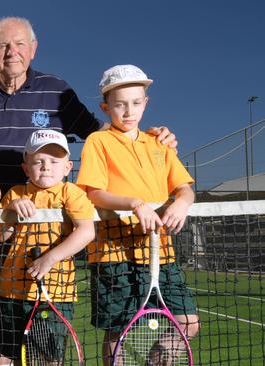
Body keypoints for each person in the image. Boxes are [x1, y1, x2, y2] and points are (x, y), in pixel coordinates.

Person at [0, 16, 178, 201]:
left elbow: (101, 131)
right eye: (2, 45)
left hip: (43, 212)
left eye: (20, 44)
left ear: (33, 49)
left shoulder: (56, 91)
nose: (11, 52)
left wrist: (151, 138)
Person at [76, 64, 200, 365]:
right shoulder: (98, 141)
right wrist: (134, 203)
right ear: (106, 107)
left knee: (189, 322)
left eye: (135, 103)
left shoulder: (160, 142)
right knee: (118, 334)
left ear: (145, 103)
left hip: (160, 253)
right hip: (113, 254)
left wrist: (182, 202)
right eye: (119, 105)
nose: (128, 111)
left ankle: (152, 362)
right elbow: (93, 193)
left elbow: (184, 189)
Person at [0, 130, 95, 363]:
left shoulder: (71, 193)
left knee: (48, 357)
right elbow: (0, 235)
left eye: (54, 161)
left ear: (68, 167)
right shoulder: (15, 194)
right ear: (26, 169)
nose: (46, 167)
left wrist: (49, 258)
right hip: (13, 290)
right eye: (38, 161)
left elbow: (86, 231)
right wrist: (10, 211)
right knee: (8, 354)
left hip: (56, 292)